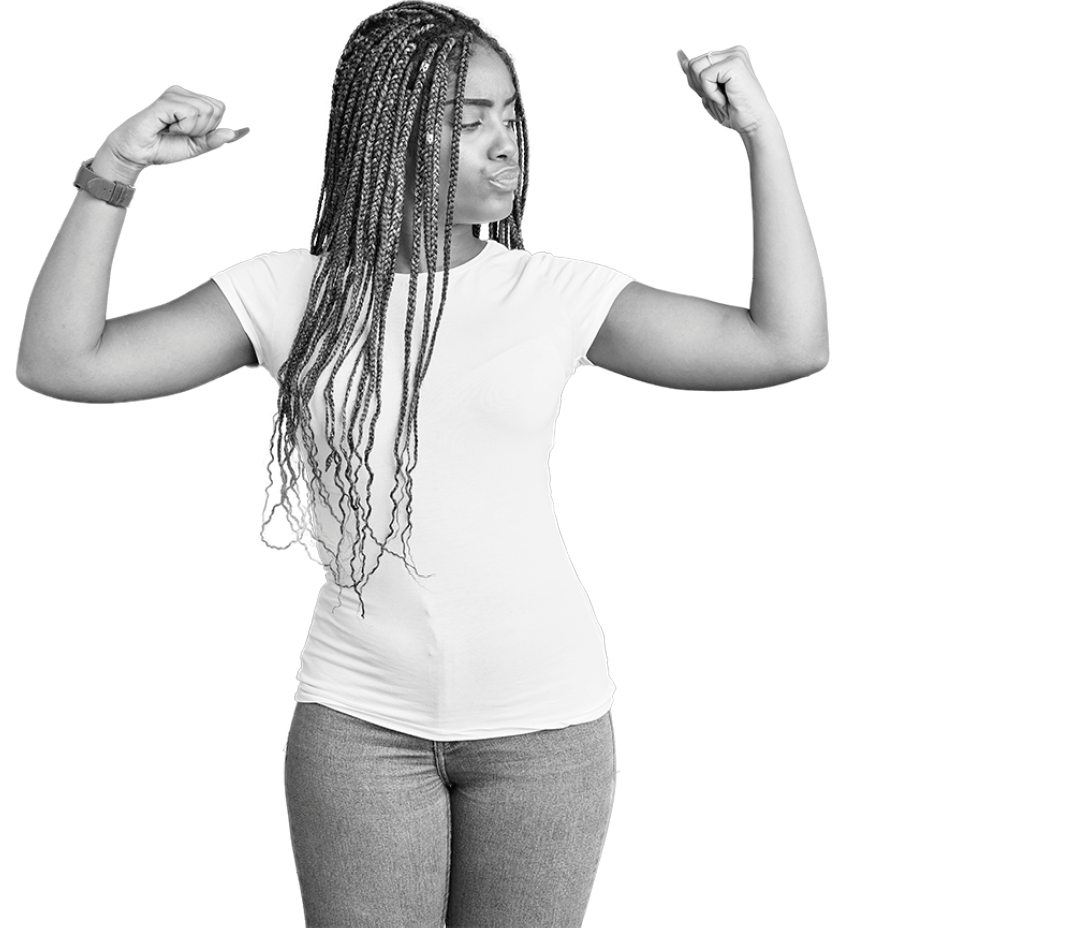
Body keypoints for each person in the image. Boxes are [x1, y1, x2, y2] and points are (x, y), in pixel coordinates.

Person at [16, 0, 827, 928]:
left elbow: (785, 346)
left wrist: (759, 134)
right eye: (470, 119)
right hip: (358, 726)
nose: (505, 142)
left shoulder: (554, 293)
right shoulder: (289, 291)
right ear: (390, 134)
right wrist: (114, 171)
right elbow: (59, 362)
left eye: (510, 116)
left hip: (545, 731)